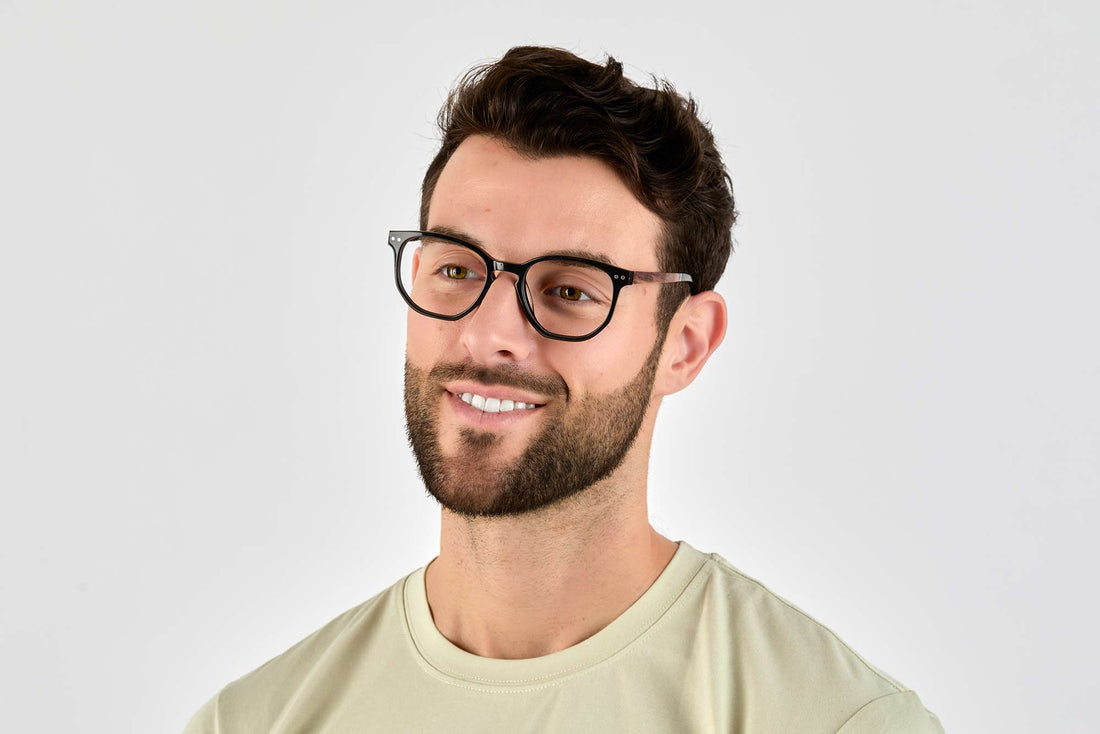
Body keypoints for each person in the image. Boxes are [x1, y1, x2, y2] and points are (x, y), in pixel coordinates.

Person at [183, 46, 944, 733]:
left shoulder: (831, 721)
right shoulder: (256, 721)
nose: (489, 334)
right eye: (455, 269)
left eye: (571, 291)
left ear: (685, 345)